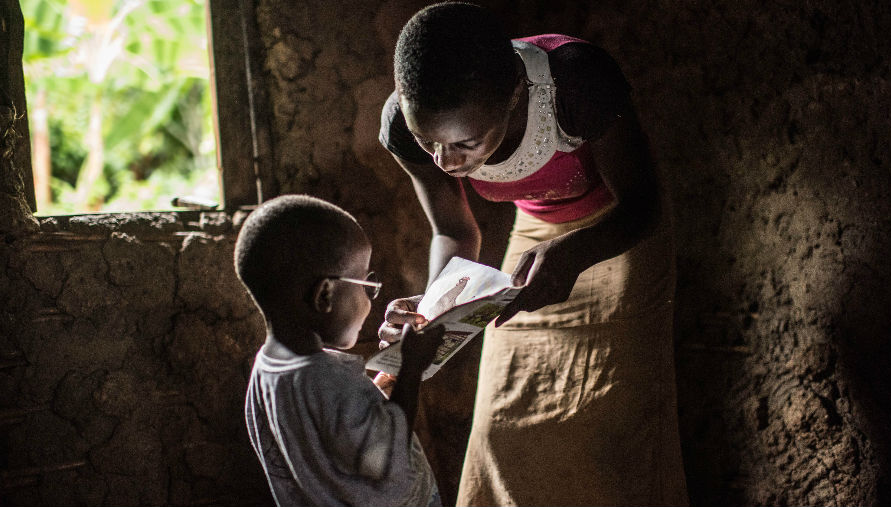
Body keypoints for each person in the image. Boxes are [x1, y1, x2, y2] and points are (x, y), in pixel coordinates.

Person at [378, 3, 689, 506]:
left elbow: (643, 206)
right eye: (426, 141)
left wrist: (576, 252)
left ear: (516, 95)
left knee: (614, 436)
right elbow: (455, 232)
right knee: (501, 431)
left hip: (617, 235)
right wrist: (432, 307)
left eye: (466, 143)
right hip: (538, 235)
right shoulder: (410, 125)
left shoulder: (576, 83)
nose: (445, 161)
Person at [234, 194, 445, 507]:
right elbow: (389, 457)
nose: (369, 297)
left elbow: (340, 436)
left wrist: (388, 381)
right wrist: (412, 366)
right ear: (325, 295)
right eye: (365, 285)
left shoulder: (266, 370)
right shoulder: (327, 378)